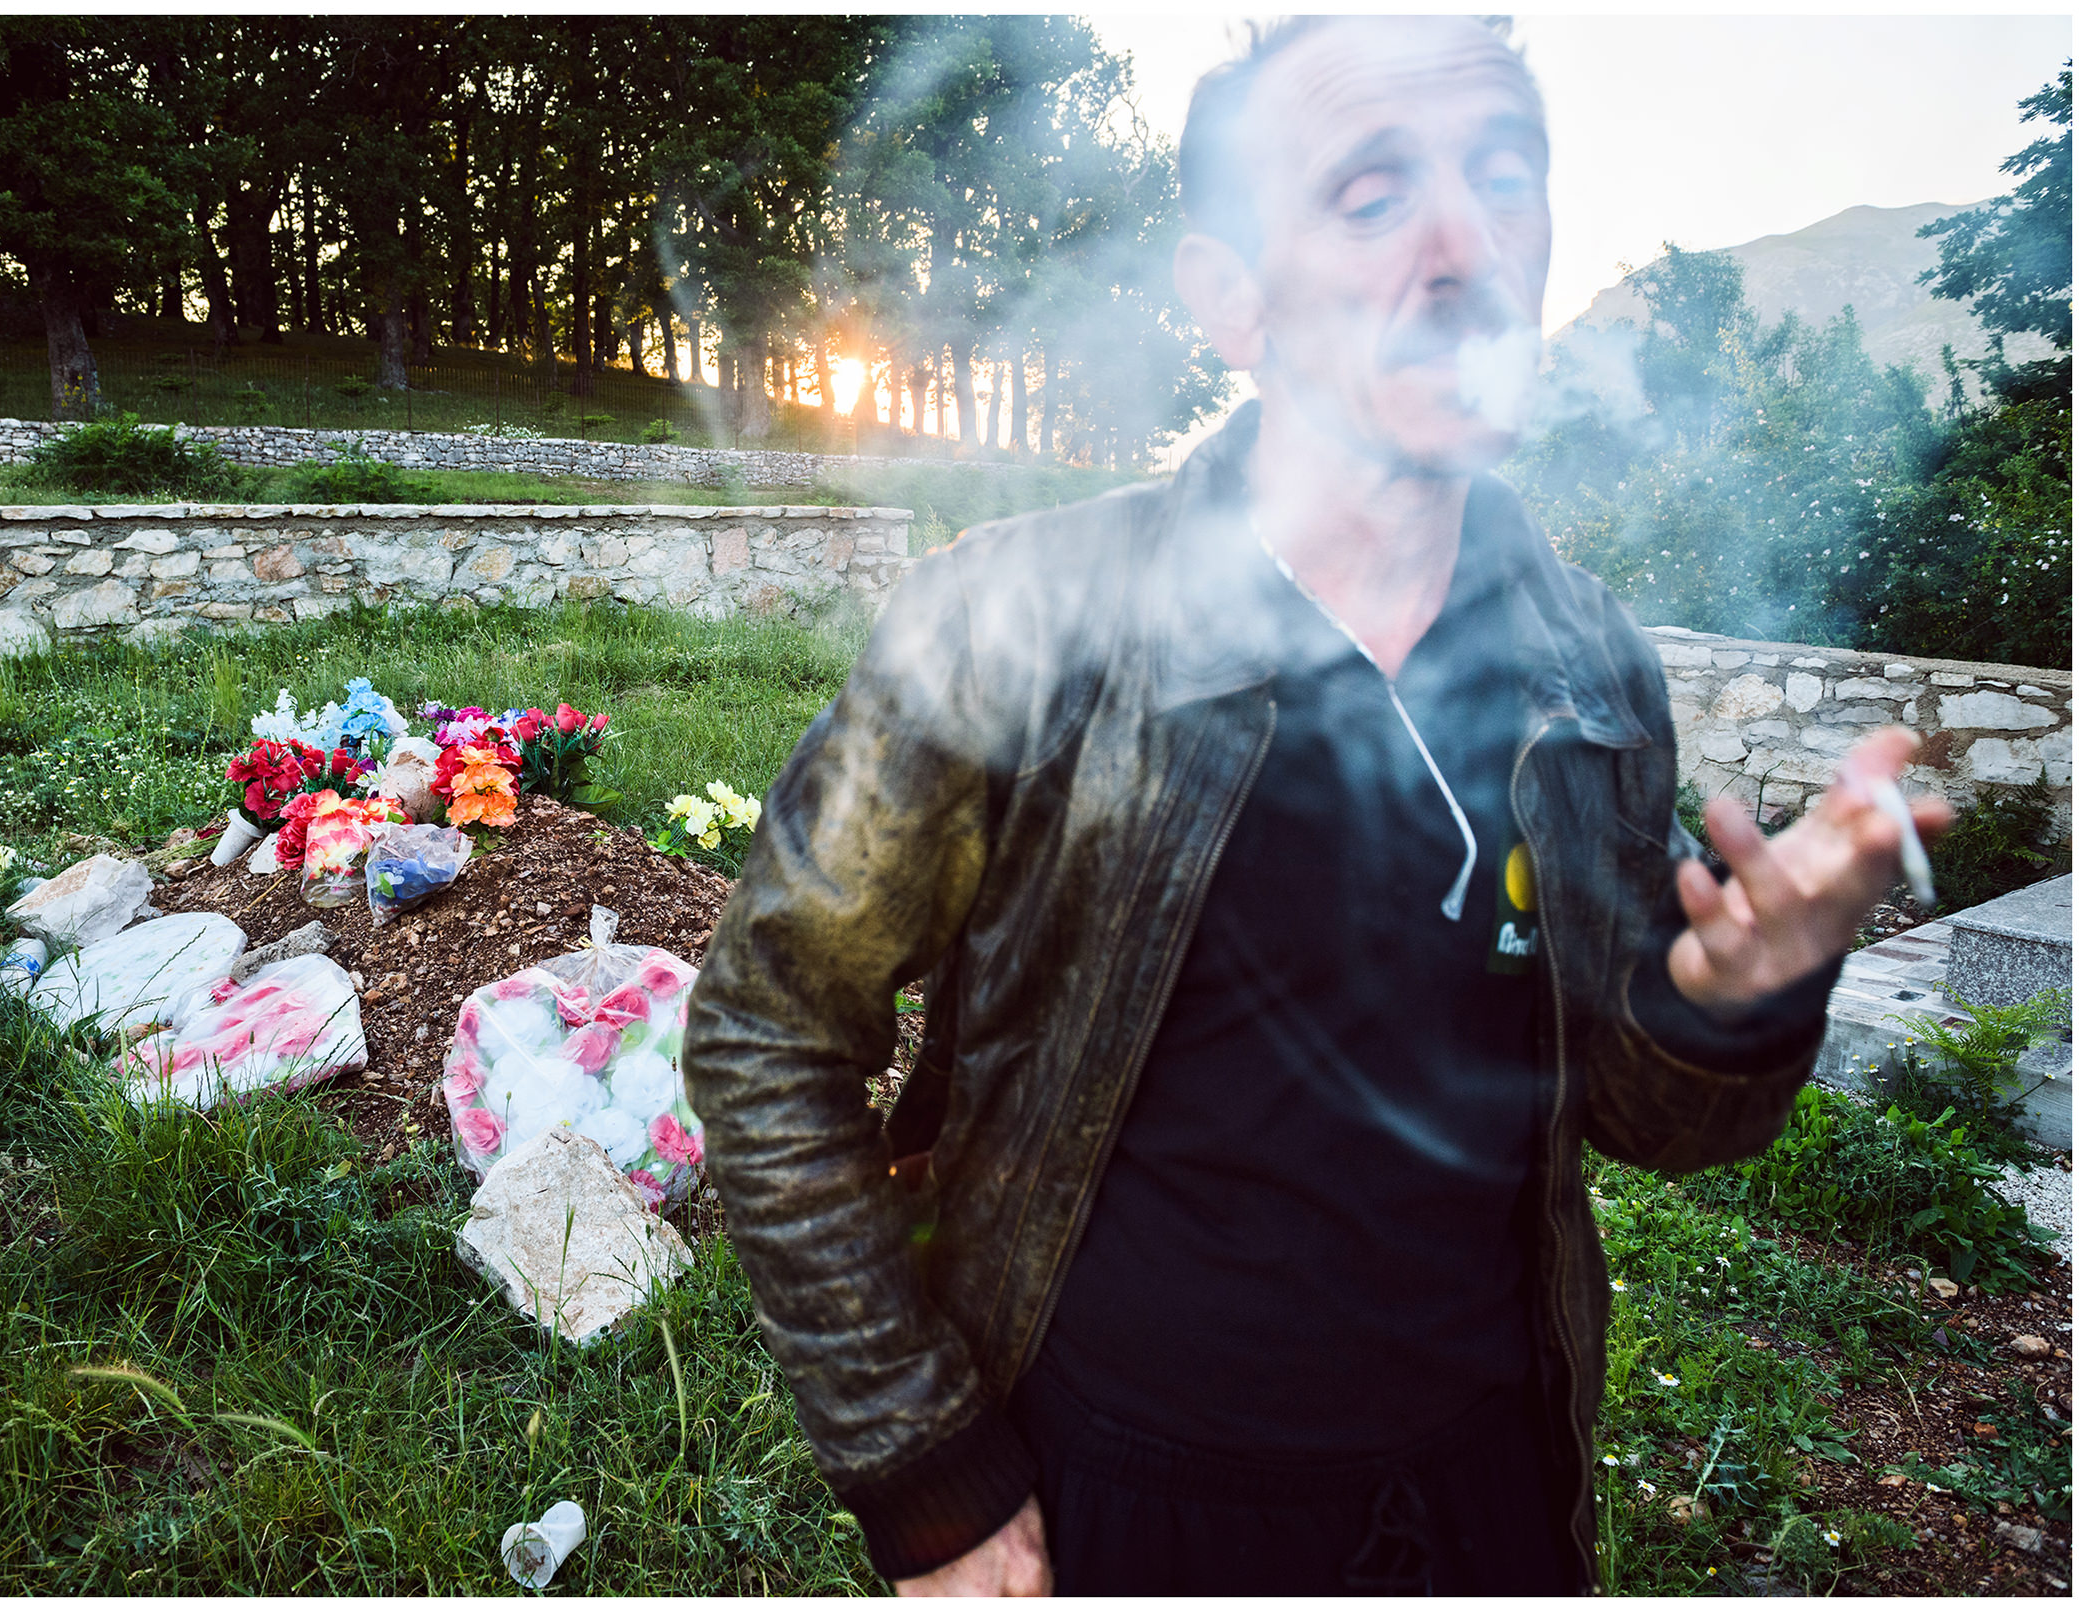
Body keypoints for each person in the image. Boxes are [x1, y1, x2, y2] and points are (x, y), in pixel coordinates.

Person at [682, 13, 1952, 1596]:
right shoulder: (1017, 620)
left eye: (1507, 177)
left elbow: (1644, 1115)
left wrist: (1732, 1005)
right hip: (1119, 1495)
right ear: (1233, 302)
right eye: (1369, 193)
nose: (1464, 243)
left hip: (1490, 1495)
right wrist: (928, 1473)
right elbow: (767, 1028)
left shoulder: (1587, 663)